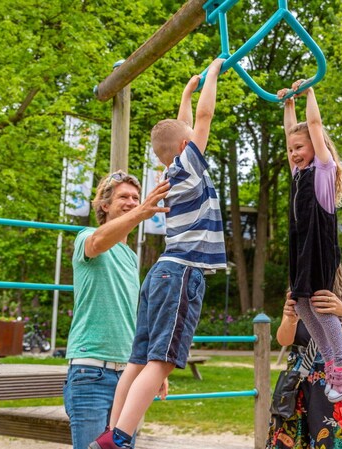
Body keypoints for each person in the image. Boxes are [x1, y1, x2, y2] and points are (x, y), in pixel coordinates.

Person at [89, 58, 227, 449]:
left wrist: (186, 92)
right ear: (187, 148)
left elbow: (186, 126)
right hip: (182, 272)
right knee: (162, 361)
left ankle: (111, 430)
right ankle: (119, 436)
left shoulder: (169, 173)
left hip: (160, 274)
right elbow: (202, 118)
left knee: (138, 361)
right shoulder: (191, 165)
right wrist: (214, 74)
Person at [63, 170, 170, 449]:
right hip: (91, 372)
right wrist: (143, 212)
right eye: (124, 196)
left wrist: (151, 370)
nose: (132, 202)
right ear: (104, 205)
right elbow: (98, 243)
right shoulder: (86, 237)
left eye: (136, 197)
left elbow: (133, 320)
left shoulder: (131, 257)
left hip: (128, 376)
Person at [277, 82, 342, 403]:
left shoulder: (323, 170)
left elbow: (314, 125)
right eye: (291, 149)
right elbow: (291, 131)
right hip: (300, 249)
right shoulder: (298, 174)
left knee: (320, 301)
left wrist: (309, 92)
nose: (294, 153)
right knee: (300, 303)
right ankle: (334, 364)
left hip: (320, 249)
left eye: (300, 147)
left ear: (316, 146)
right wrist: (288, 104)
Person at [267, 265, 342, 449]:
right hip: (300, 380)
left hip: (338, 380)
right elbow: (283, 340)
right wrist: (292, 318)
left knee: (337, 437)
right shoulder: (299, 301)